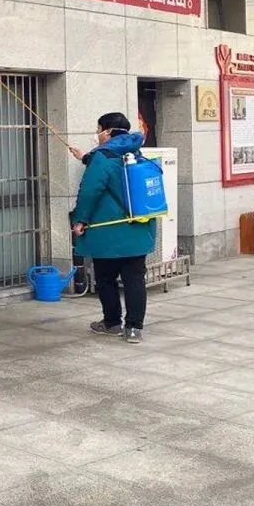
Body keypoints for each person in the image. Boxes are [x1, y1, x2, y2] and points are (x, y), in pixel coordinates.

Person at [69, 112, 157, 344]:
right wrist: (85, 157)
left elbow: (90, 191)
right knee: (134, 280)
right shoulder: (134, 152)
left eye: (98, 129)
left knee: (106, 278)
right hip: (138, 228)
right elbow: (114, 170)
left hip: (109, 231)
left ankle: (112, 323)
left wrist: (80, 220)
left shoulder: (102, 156)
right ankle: (134, 329)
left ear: (107, 132)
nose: (97, 134)